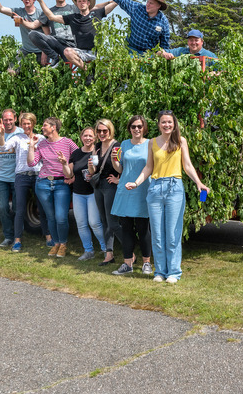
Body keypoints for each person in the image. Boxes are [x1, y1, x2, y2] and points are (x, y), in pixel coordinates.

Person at [125, 111, 210, 284]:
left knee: (172, 234)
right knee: (157, 234)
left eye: (169, 122)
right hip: (155, 188)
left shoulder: (180, 141)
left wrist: (199, 183)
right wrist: (136, 182)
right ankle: (160, 272)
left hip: (174, 188)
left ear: (174, 124)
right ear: (158, 124)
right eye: (163, 122)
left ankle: (174, 272)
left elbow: (187, 165)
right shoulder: (152, 142)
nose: (167, 125)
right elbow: (149, 167)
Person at [109, 115, 152, 276]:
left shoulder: (150, 144)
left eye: (139, 126)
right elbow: (120, 169)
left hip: (142, 190)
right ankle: (127, 263)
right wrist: (114, 161)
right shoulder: (124, 144)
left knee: (143, 228)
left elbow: (151, 168)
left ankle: (146, 263)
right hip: (125, 190)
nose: (136, 129)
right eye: (133, 126)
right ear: (129, 128)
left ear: (144, 128)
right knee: (126, 228)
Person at [27, 117, 77, 257]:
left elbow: (79, 157)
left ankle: (63, 243)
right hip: (43, 183)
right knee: (50, 217)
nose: (42, 128)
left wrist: (73, 175)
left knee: (61, 217)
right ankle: (56, 244)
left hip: (61, 183)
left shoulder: (67, 142)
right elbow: (32, 163)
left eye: (45, 126)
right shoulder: (41, 144)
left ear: (53, 127)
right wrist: (31, 146)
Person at [94, 0, 171, 55]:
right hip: (130, 49)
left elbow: (164, 44)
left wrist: (163, 55)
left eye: (151, 3)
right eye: (148, 1)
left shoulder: (163, 22)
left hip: (149, 54)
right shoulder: (137, 9)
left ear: (158, 6)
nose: (147, 4)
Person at [0, 0, 57, 67]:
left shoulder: (41, 13)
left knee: (39, 76)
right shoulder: (18, 12)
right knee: (11, 70)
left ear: (34, 0)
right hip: (26, 50)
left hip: (40, 50)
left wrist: (45, 52)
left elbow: (47, 34)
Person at [0, 109, 25, 249]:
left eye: (10, 119)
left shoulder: (21, 133)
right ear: (2, 120)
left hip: (18, 176)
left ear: (15, 118)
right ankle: (8, 236)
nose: (8, 122)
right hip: (1, 177)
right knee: (2, 208)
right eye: (5, 120)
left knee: (17, 208)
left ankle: (18, 236)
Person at [58, 0, 120, 65]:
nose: (82, 3)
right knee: (68, 52)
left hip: (97, 52)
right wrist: (40, 1)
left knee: (111, 65)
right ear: (77, 4)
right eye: (79, 1)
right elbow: (51, 17)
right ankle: (85, 69)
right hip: (82, 52)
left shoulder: (97, 13)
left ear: (88, 3)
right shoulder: (73, 17)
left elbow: (116, 2)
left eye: (84, 1)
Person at [69, 127, 106, 259]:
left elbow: (100, 171)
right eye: (85, 136)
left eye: (90, 136)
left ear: (95, 138)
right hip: (78, 193)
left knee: (94, 222)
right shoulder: (76, 153)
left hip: (93, 192)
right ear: (81, 137)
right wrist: (63, 164)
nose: (88, 138)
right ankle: (88, 251)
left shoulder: (98, 152)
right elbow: (69, 173)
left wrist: (93, 174)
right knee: (81, 223)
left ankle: (106, 248)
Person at [87, 118, 119, 265]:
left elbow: (123, 168)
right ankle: (109, 254)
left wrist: (118, 179)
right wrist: (90, 167)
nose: (101, 133)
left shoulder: (116, 146)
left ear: (110, 130)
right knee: (104, 221)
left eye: (104, 130)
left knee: (113, 223)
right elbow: (93, 170)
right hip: (98, 187)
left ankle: (130, 252)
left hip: (110, 186)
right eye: (99, 131)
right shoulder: (97, 147)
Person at [11, 112, 45, 253]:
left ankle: (48, 236)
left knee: (42, 206)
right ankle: (17, 240)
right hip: (22, 175)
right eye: (24, 123)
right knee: (19, 209)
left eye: (29, 123)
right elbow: (3, 148)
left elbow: (47, 155)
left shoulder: (41, 138)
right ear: (20, 124)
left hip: (38, 174)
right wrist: (1, 135)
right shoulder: (17, 138)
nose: (26, 126)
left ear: (33, 123)